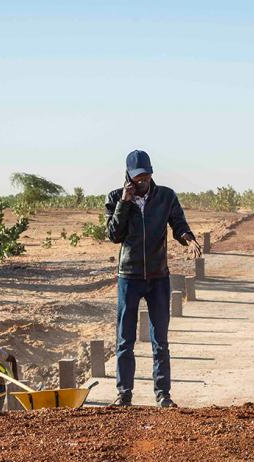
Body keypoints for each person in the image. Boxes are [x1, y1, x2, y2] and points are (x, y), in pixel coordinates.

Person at [104, 149, 200, 408]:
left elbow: (178, 224)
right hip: (129, 277)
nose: (143, 182)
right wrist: (124, 203)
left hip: (158, 277)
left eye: (146, 176)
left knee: (161, 340)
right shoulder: (115, 198)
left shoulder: (166, 196)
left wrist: (188, 239)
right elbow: (114, 235)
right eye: (138, 178)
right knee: (125, 340)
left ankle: (163, 394)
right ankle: (124, 394)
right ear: (128, 177)